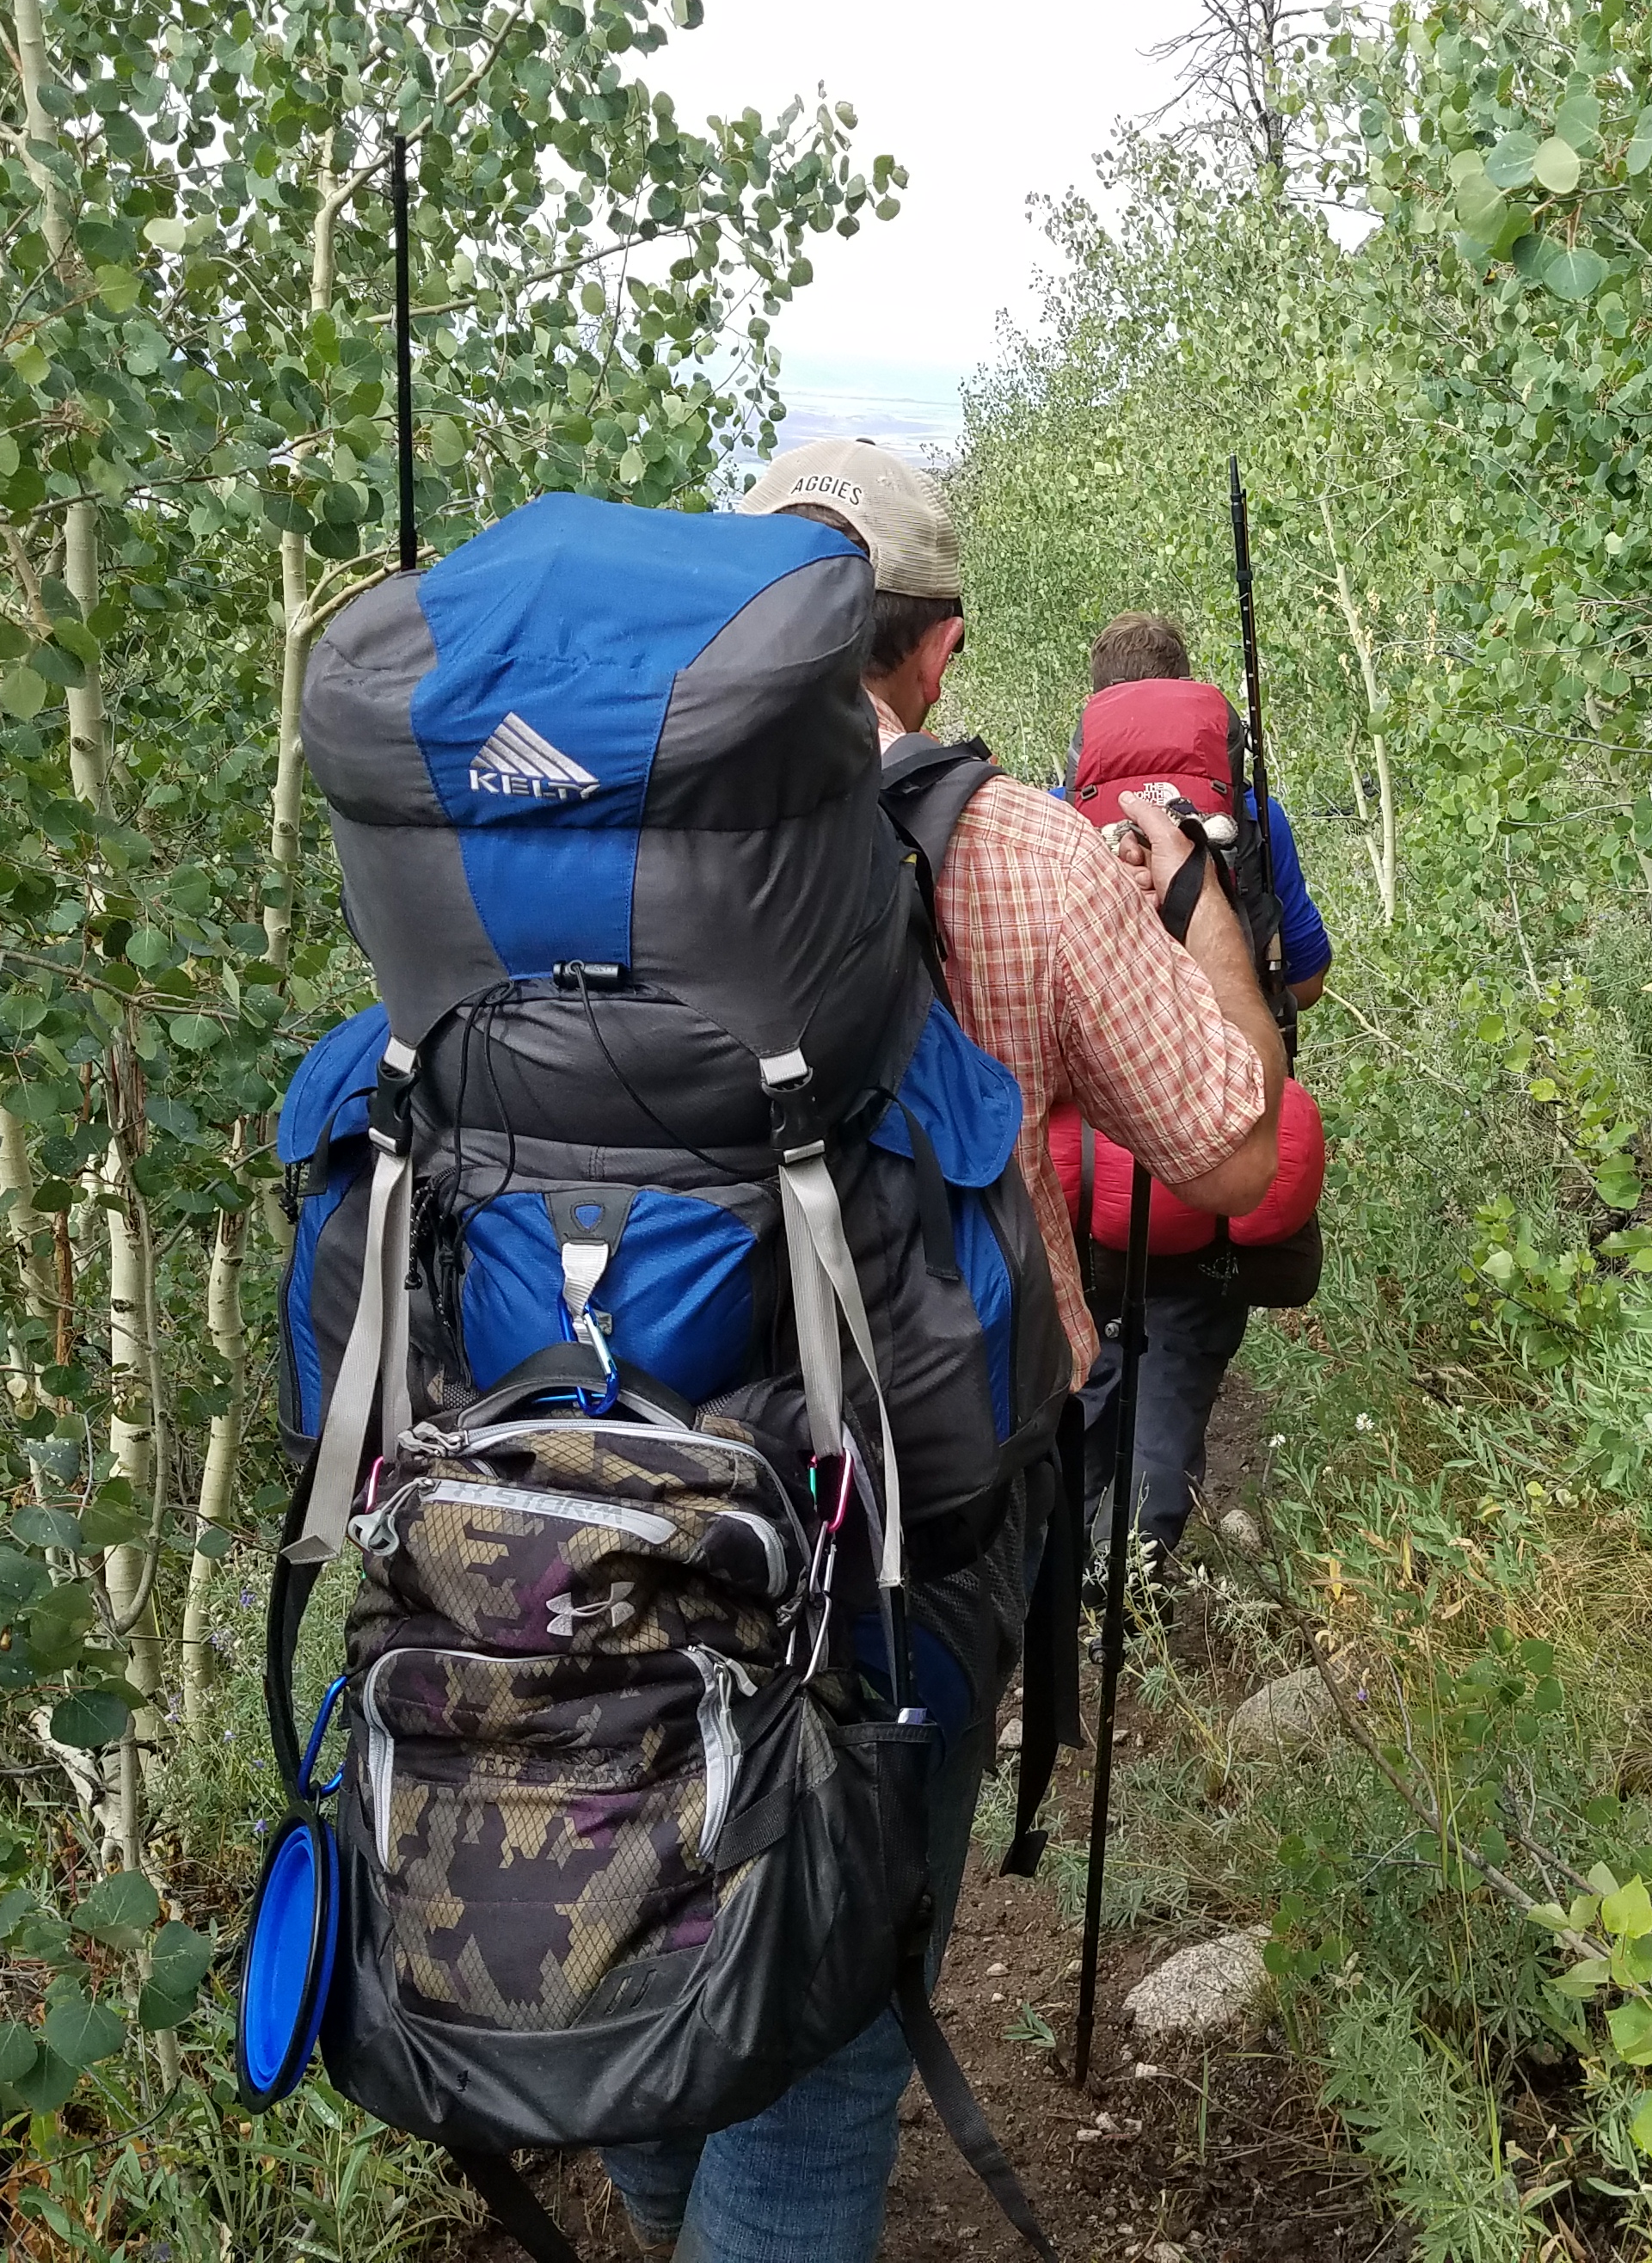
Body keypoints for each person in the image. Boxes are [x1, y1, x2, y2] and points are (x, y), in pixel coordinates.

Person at [599, 441, 1283, 2263]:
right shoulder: (1025, 855)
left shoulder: (584, 815)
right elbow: (1228, 1142)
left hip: (584, 1467)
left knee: (630, 1905)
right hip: (903, 1506)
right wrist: (1192, 892)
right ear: (939, 647)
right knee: (826, 2012)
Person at [1067, 612, 1332, 1570]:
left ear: (1096, 711)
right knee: (1175, 1354)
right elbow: (1307, 974)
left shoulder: (1059, 815)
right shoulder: (1251, 820)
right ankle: (1132, 1570)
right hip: (1218, 1135)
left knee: (1088, 1352)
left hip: (1094, 1156)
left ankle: (1064, 1560)